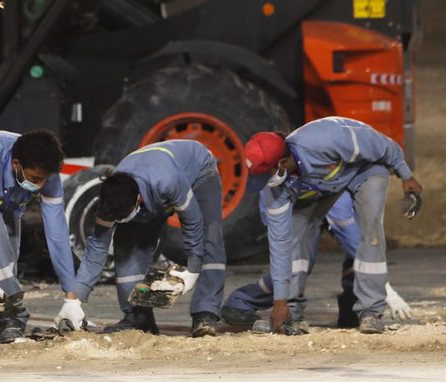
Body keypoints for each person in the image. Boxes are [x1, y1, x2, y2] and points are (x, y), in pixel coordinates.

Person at [228, 116, 422, 334]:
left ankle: (371, 311)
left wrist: (406, 176)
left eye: (266, 175)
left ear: (283, 164)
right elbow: (280, 243)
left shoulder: (326, 139)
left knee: (369, 234)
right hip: (326, 186)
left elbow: (383, 145)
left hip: (365, 171)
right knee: (294, 240)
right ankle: (292, 311)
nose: (265, 182)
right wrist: (280, 303)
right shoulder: (275, 188)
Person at [54, 140, 227, 337]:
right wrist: (75, 300)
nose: (118, 220)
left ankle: (205, 314)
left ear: (138, 200)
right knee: (128, 246)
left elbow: (193, 222)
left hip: (197, 169)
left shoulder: (167, 181)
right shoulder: (111, 199)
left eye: (123, 216)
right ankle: (138, 317)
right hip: (147, 180)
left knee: (209, 234)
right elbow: (96, 249)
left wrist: (193, 269)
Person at [0, 129, 79, 343]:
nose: (40, 186)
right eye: (36, 179)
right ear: (16, 164)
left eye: (44, 180)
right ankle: (16, 315)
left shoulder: (48, 175)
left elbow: (58, 235)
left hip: (10, 197)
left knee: (9, 259)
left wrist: (71, 296)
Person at [222, 191, 413, 330]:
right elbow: (357, 247)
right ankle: (242, 301)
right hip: (307, 199)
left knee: (358, 243)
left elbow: (358, 245)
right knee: (298, 262)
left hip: (329, 190)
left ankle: (353, 309)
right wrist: (387, 292)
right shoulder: (280, 185)